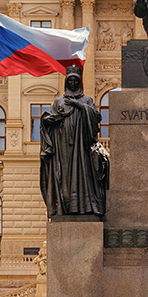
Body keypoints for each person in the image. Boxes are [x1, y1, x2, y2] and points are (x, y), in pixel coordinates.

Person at [39, 69, 108, 218]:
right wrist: (46, 121)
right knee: (65, 177)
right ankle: (66, 207)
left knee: (85, 175)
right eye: (70, 80)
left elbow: (96, 116)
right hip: (63, 145)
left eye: (75, 80)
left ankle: (85, 207)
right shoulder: (59, 101)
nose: (73, 82)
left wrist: (79, 105)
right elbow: (53, 119)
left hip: (82, 145)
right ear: (66, 82)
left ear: (79, 82)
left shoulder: (87, 100)